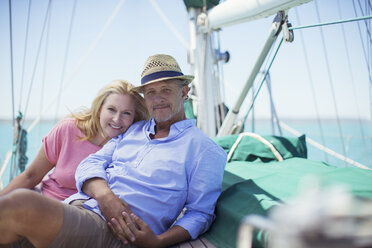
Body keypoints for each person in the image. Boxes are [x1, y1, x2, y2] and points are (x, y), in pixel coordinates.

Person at [0, 54, 227, 248]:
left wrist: (158, 242)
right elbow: (89, 164)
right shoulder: (133, 131)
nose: (157, 99)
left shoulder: (205, 150)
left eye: (165, 90)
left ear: (184, 92)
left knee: (21, 204)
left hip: (118, 232)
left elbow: (200, 214)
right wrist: (105, 196)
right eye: (150, 92)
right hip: (80, 206)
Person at [0, 80, 149, 201]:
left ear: (134, 118)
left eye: (126, 113)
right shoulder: (68, 129)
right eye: (111, 109)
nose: (117, 119)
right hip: (44, 201)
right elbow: (30, 176)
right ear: (99, 110)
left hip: (84, 218)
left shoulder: (131, 148)